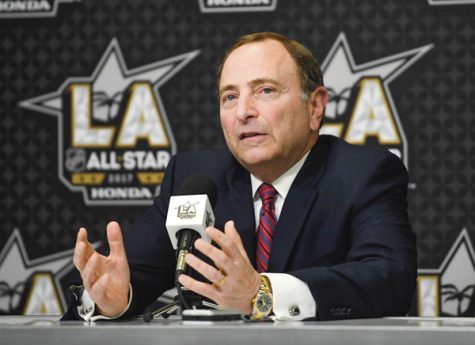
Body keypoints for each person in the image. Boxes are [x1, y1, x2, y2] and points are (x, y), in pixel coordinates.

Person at [63, 32, 417, 321]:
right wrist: (114, 300)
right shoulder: (194, 178)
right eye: (229, 97)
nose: (244, 112)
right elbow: (131, 275)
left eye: (265, 90)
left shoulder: (363, 173)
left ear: (315, 106)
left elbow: (388, 279)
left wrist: (260, 293)